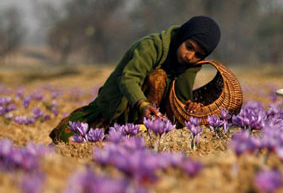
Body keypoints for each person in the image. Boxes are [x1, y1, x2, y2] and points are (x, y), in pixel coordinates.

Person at [50, 16, 221, 143]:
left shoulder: (191, 65)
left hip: (149, 119)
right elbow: (129, 78)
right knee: (70, 138)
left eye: (198, 54)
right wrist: (143, 104)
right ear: (183, 37)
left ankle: (137, 133)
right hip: (116, 107)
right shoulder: (152, 46)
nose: (190, 56)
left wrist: (190, 107)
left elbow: (180, 99)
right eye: (189, 47)